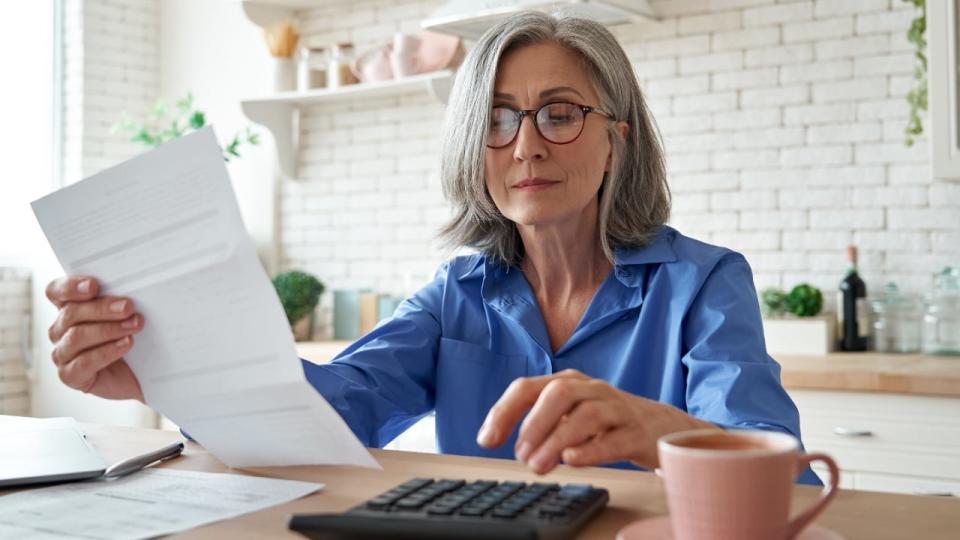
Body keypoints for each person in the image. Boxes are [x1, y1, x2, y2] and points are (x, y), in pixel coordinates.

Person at [44, 11, 820, 484]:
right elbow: (331, 413)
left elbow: (779, 467)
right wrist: (162, 371)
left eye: (558, 113)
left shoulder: (703, 284)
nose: (525, 146)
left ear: (616, 140)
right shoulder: (458, 294)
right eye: (497, 118)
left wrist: (656, 430)